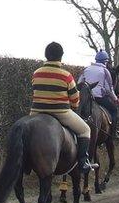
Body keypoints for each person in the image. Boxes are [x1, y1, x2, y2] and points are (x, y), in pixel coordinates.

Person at [31, 42, 97, 172]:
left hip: (36, 112)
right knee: (85, 130)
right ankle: (83, 163)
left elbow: (35, 91)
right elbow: (75, 100)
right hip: (60, 112)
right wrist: (74, 104)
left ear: (46, 55)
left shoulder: (36, 73)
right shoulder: (66, 75)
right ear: (61, 57)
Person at [79, 50, 119, 139]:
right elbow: (109, 89)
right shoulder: (105, 71)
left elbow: (79, 83)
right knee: (114, 110)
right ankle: (113, 133)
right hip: (98, 98)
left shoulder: (86, 69)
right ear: (105, 61)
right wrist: (115, 98)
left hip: (85, 98)